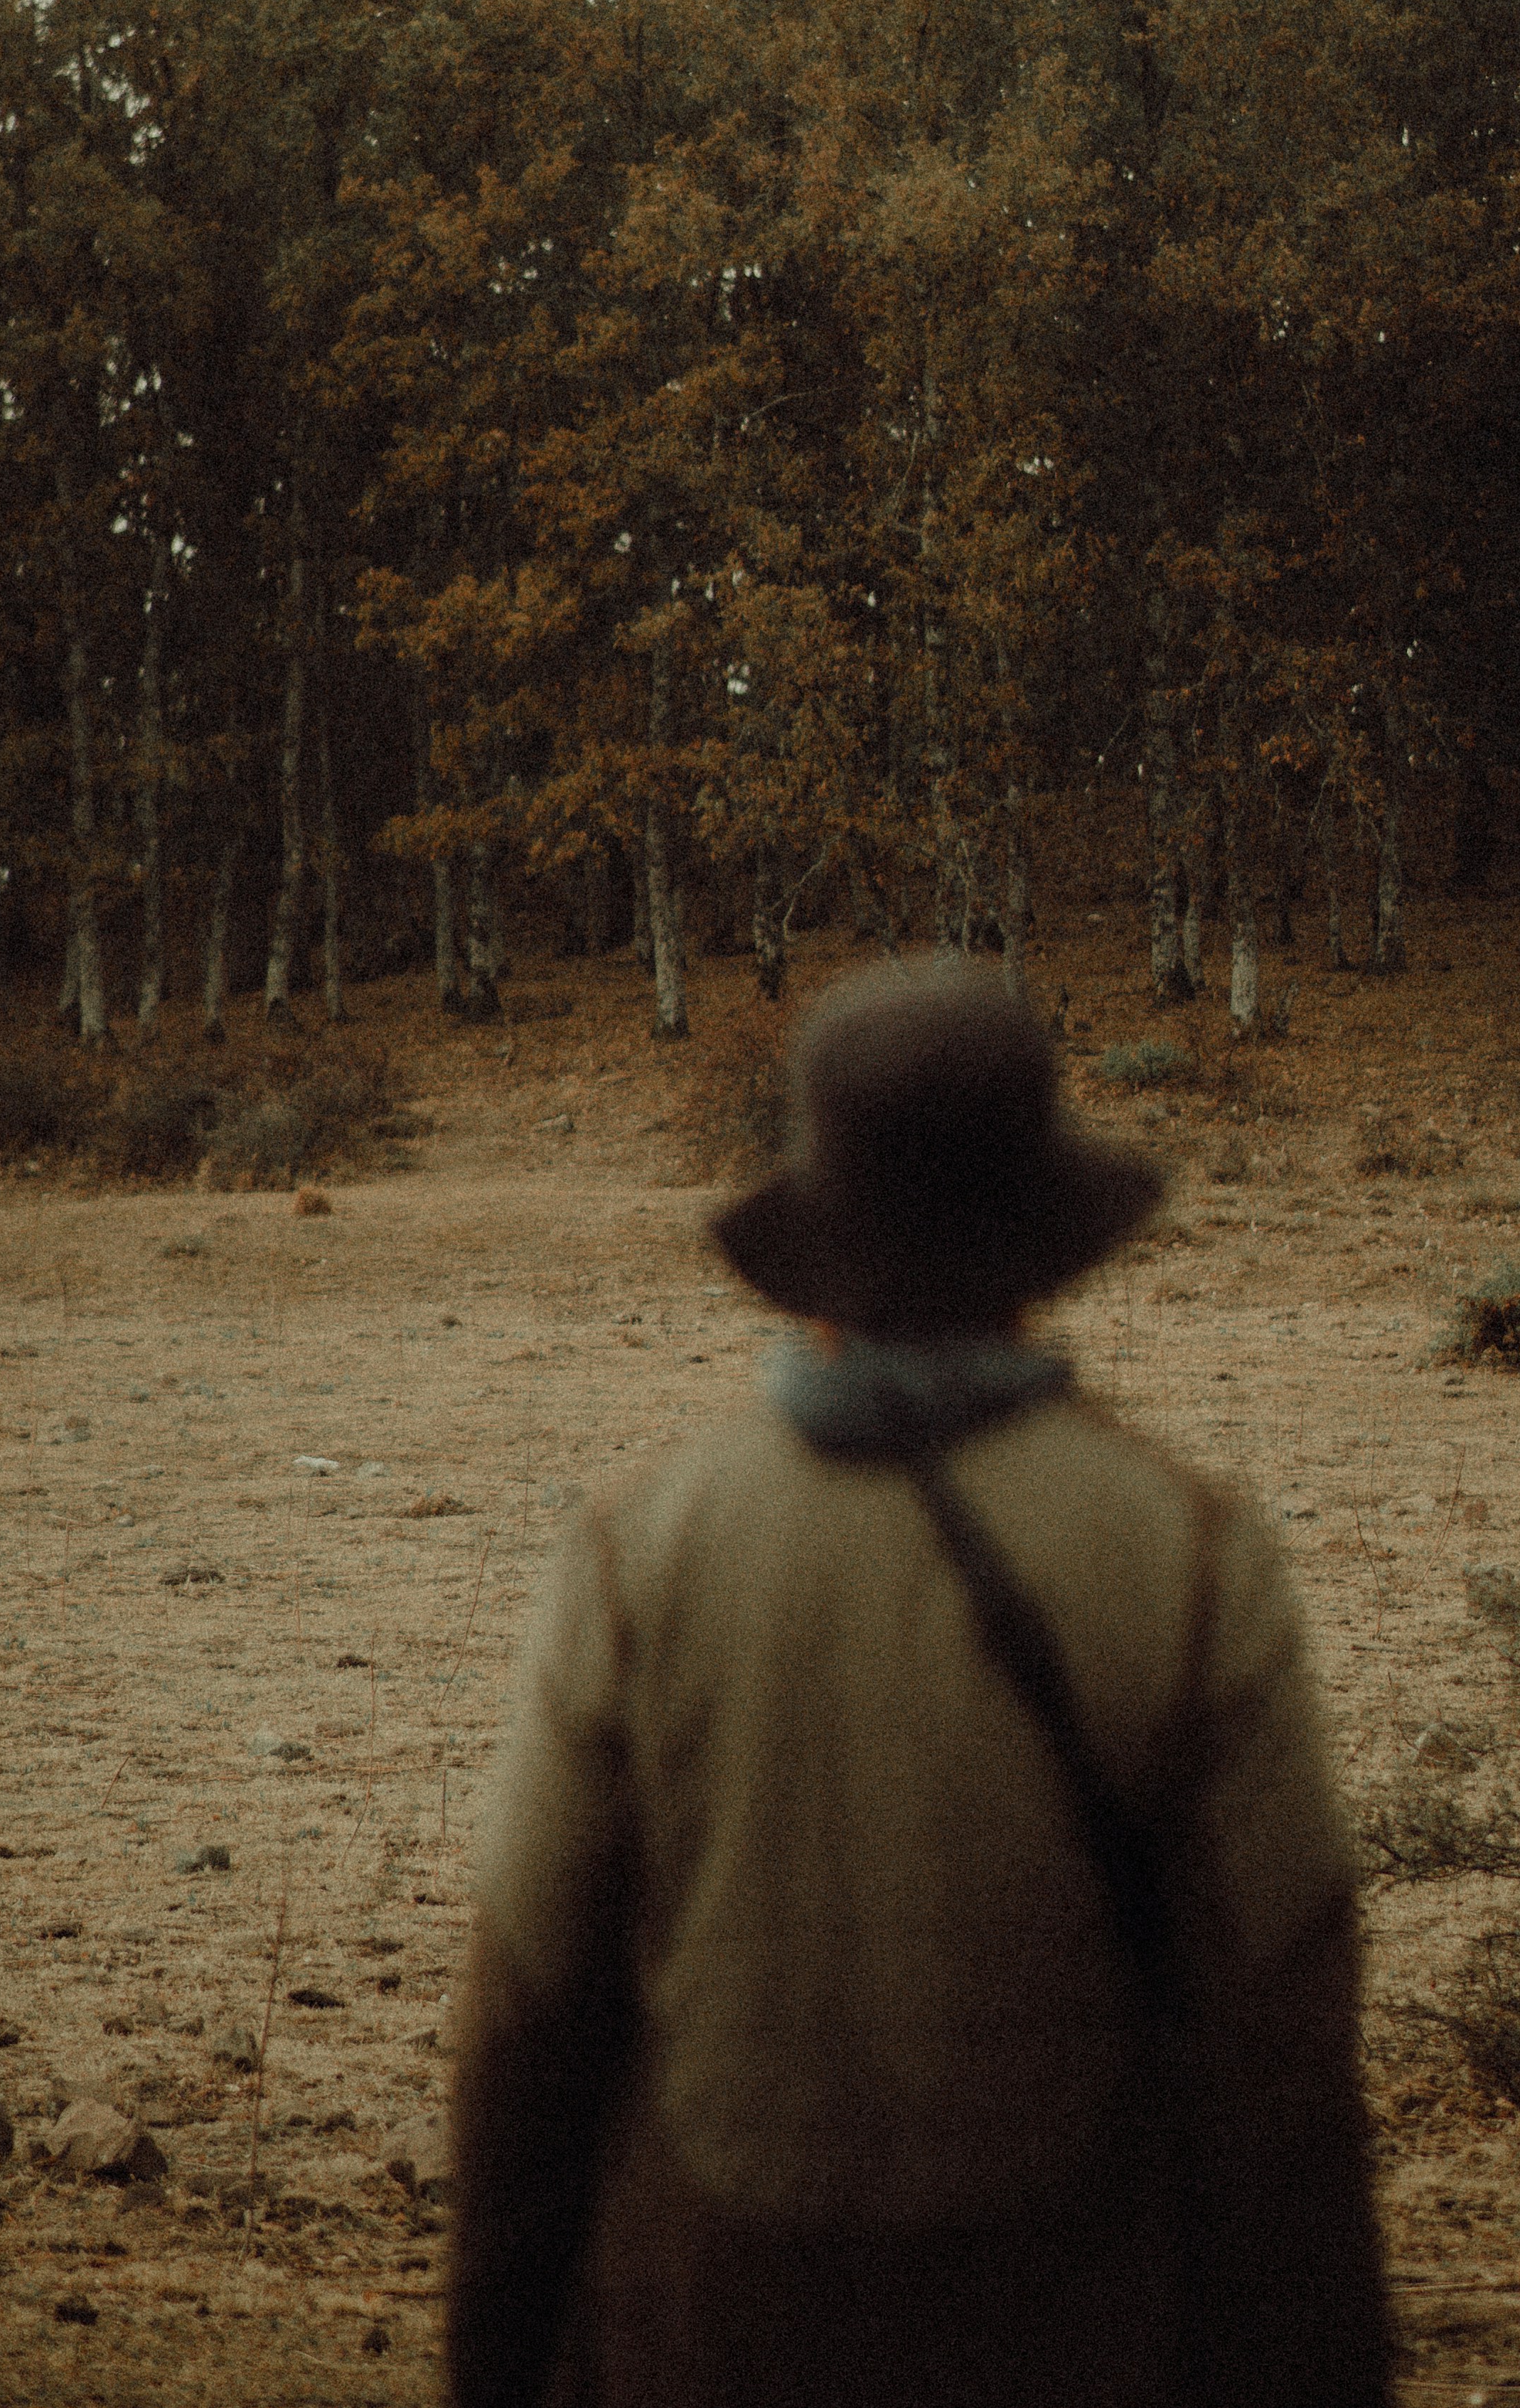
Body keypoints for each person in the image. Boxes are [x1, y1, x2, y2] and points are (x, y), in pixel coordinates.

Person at [446, 962, 1393, 2408]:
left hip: (705, 2324)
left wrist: (495, 2364)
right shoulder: (1191, 1553)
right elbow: (1283, 2033)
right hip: (1072, 2331)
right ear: (1045, 1247)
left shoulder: (641, 1550)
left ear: (820, 1252)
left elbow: (528, 2003)